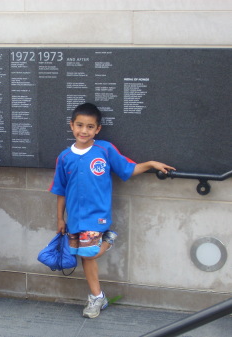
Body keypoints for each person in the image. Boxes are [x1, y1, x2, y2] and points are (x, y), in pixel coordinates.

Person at [49, 103, 175, 319]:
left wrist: (150, 164)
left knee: (89, 255)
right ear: (71, 126)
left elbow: (128, 168)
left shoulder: (105, 149)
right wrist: (60, 218)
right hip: (75, 218)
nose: (84, 131)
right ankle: (98, 295)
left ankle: (99, 285)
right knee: (81, 256)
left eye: (90, 127)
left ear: (97, 129)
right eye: (79, 125)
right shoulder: (64, 157)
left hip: (97, 216)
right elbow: (60, 190)